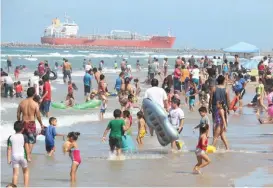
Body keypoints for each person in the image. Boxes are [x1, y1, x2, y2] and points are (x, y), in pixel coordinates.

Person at [17, 87, 44, 154]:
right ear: (34, 94)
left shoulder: (21, 102)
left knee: (24, 140)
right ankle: (28, 154)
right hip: (31, 124)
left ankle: (25, 153)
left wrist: (19, 122)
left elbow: (18, 114)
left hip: (23, 123)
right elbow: (38, 116)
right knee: (31, 140)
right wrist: (41, 124)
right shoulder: (35, 104)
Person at [7, 121, 31, 187]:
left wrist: (8, 159)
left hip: (14, 157)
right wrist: (28, 157)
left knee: (15, 174)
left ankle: (13, 186)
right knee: (25, 172)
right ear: (23, 129)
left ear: (14, 128)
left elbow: (9, 149)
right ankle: (26, 187)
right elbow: (27, 148)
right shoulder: (24, 136)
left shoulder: (10, 137)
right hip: (23, 156)